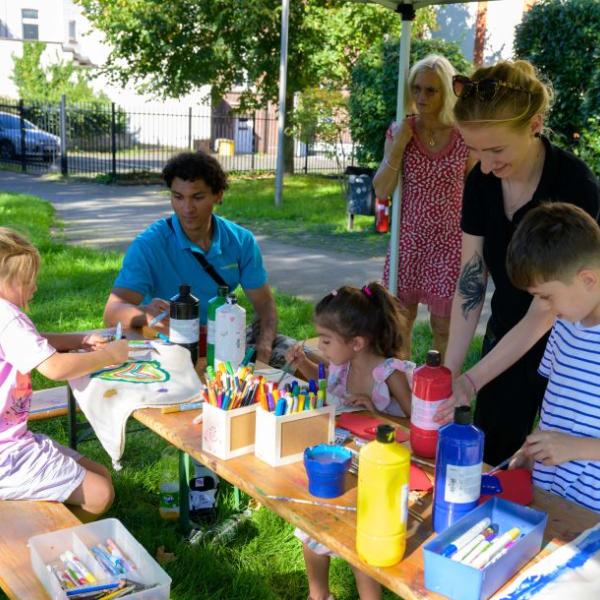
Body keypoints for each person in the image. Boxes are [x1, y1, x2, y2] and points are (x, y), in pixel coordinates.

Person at [436, 60, 600, 466]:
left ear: (534, 125)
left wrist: (471, 380)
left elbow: (546, 311)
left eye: (496, 150)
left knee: (568, 454)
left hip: (570, 339)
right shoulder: (481, 182)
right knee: (496, 449)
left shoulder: (574, 186)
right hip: (508, 330)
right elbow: (471, 281)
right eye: (474, 149)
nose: (486, 165)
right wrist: (451, 376)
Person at [287, 282, 413, 600]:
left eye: (326, 340)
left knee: (361, 545)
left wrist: (378, 415)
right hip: (344, 459)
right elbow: (325, 376)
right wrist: (303, 364)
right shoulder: (342, 366)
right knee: (313, 527)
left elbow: (418, 425)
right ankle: (319, 595)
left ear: (356, 342)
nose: (322, 346)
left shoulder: (389, 374)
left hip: (381, 471)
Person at [103, 151, 284, 366]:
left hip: (222, 337)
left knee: (297, 356)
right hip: (167, 341)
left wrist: (264, 345)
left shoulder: (241, 241)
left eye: (197, 197)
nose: (187, 208)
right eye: (178, 197)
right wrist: (146, 314)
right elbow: (112, 312)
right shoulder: (149, 244)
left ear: (218, 195)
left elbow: (264, 305)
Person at [0, 227, 129, 521]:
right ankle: (42, 541)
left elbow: (32, 340)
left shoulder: (5, 318)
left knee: (99, 474)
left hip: (12, 440)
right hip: (5, 456)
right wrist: (109, 355)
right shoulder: (6, 316)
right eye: (28, 280)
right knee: (99, 494)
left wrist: (80, 340)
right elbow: (54, 368)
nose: (35, 287)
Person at [373, 54, 473, 360]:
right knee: (399, 323)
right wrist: (400, 144)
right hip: (408, 240)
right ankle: (400, 385)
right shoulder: (401, 130)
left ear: (445, 92)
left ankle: (435, 385)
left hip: (449, 242)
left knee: (444, 326)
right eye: (416, 88)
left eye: (431, 90)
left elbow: (476, 190)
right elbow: (381, 190)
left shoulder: (464, 135)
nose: (421, 96)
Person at [506, 203, 600, 513]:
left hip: (590, 513)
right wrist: (532, 448)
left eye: (547, 296)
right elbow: (557, 403)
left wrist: (577, 448)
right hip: (549, 495)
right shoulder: (565, 321)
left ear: (588, 279)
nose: (544, 305)